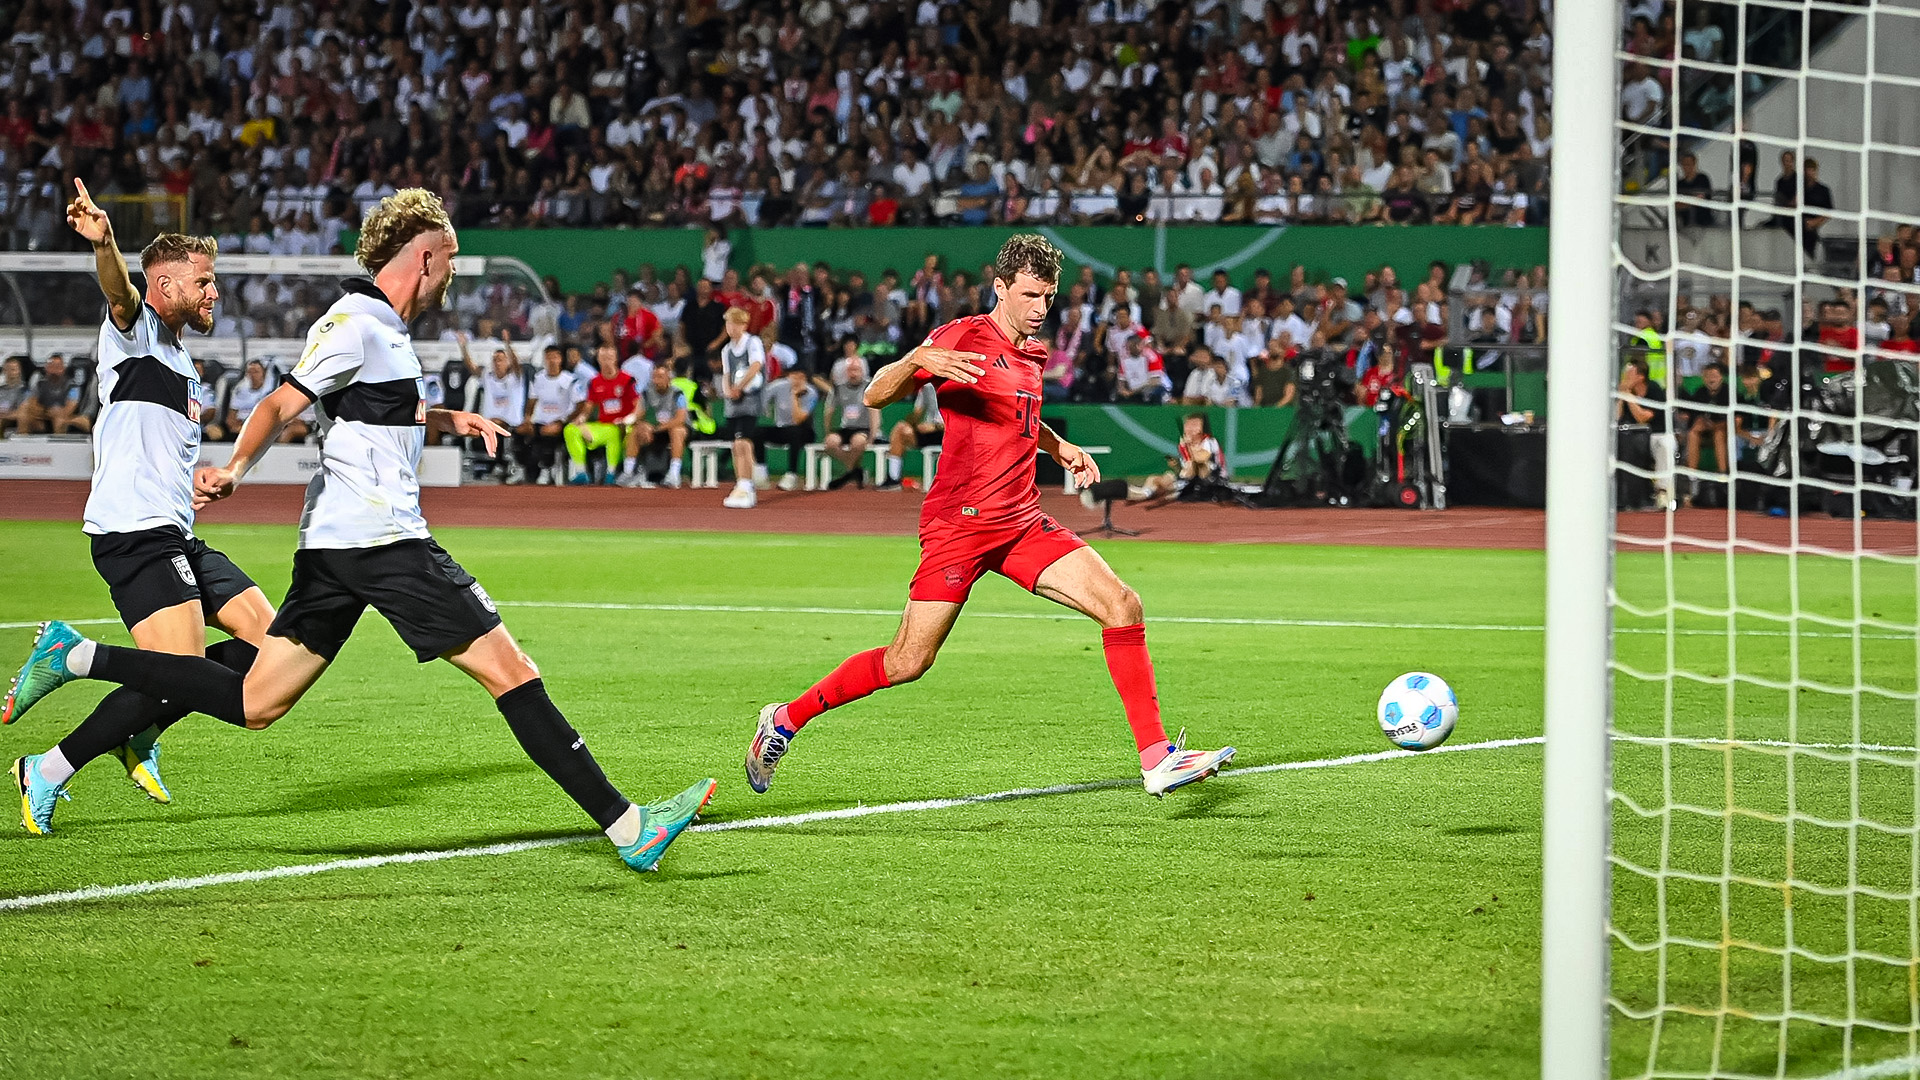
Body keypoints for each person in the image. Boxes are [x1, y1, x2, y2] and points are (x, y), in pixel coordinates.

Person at [6, 190, 714, 872]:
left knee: (256, 701)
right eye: (452, 256)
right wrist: (238, 469)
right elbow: (281, 398)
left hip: (333, 547)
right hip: (380, 540)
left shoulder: (382, 334)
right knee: (512, 671)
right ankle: (630, 828)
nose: (456, 271)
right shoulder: (355, 320)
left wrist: (447, 420)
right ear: (425, 258)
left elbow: (365, 407)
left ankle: (77, 659)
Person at [743, 234, 1235, 800]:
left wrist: (1059, 448)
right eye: (1029, 295)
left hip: (1022, 521)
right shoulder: (963, 336)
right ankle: (784, 719)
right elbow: (877, 396)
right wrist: (916, 359)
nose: (1040, 307)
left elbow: (1018, 416)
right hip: (959, 525)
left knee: (1122, 604)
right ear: (999, 287)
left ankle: (1157, 759)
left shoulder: (1034, 349)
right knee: (907, 661)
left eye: (1048, 296)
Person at [6, 181, 275, 833]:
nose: (214, 293)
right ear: (165, 287)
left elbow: (157, 455)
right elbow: (120, 294)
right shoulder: (136, 331)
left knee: (273, 649)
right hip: (134, 535)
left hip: (174, 533)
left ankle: (140, 729)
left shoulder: (183, 363)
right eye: (203, 282)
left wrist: (196, 489)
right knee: (179, 670)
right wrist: (106, 244)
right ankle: (48, 764)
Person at [563, 344, 638, 485]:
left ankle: (611, 473)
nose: (606, 361)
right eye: (603, 358)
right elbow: (588, 407)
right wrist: (581, 420)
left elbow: (638, 406)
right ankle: (581, 472)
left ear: (616, 359)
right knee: (570, 429)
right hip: (603, 425)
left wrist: (628, 419)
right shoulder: (595, 382)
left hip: (622, 425)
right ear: (598, 360)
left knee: (613, 432)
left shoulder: (627, 380)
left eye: (609, 357)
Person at [715, 307, 768, 508]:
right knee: (736, 445)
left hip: (750, 402)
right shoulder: (726, 350)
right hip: (733, 404)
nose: (730, 327)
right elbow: (726, 375)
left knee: (744, 442)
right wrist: (728, 391)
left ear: (743, 325)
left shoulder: (752, 342)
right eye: (728, 323)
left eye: (734, 323)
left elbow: (756, 366)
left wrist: (740, 387)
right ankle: (742, 484)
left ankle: (746, 485)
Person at [460, 330, 526, 483]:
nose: (497, 363)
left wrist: (508, 345)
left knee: (496, 427)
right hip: (491, 422)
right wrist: (463, 347)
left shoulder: (515, 379)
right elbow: (472, 367)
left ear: (507, 362)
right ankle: (497, 465)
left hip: (510, 422)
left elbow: (517, 364)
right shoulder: (488, 377)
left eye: (501, 359)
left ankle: (503, 465)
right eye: (495, 359)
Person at [817, 344, 877, 489]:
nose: (853, 373)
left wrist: (873, 435)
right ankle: (854, 471)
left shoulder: (869, 387)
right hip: (845, 427)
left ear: (862, 371)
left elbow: (874, 412)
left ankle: (849, 473)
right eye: (850, 370)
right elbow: (828, 411)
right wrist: (828, 431)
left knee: (857, 443)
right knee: (831, 442)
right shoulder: (838, 388)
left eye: (856, 370)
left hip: (862, 428)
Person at [620, 365, 688, 488]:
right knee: (635, 431)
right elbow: (639, 414)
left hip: (671, 430)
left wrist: (658, 428)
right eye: (654, 377)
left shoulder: (678, 394)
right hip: (653, 430)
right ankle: (629, 472)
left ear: (669, 378)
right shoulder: (646, 393)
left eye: (660, 377)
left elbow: (680, 419)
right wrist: (640, 424)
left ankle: (674, 474)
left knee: (678, 431)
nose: (657, 380)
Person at [522, 344, 579, 485]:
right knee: (520, 432)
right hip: (541, 420)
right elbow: (532, 401)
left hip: (561, 421)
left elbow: (579, 405)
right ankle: (521, 469)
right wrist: (527, 418)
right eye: (548, 357)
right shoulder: (538, 378)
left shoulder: (569, 380)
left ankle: (547, 470)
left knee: (548, 435)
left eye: (555, 357)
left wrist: (561, 422)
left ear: (560, 359)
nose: (551, 361)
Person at [1138, 412, 1226, 502]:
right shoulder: (1183, 445)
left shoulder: (1209, 441)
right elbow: (1185, 468)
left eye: (1195, 425)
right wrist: (1176, 465)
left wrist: (1188, 448)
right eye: (1188, 425)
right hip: (1189, 481)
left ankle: (1173, 492)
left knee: (1195, 465)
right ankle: (1144, 494)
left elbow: (1202, 458)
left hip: (1211, 480)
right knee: (1155, 479)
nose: (1191, 428)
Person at [1681, 361, 1731, 505]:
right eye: (1708, 375)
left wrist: (1715, 424)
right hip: (1705, 431)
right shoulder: (1700, 393)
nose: (1711, 379)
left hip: (1725, 430)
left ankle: (1723, 479)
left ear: (1721, 377)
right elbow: (1694, 417)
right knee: (1692, 433)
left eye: (1714, 375)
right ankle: (1692, 479)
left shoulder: (1728, 393)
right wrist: (1699, 423)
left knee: (1719, 434)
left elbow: (1734, 418)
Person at [880, 379, 943, 490]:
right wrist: (912, 422)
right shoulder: (927, 386)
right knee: (900, 429)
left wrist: (936, 426)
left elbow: (964, 420)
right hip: (930, 432)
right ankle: (894, 479)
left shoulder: (958, 383)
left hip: (951, 432)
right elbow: (918, 411)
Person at [762, 367, 818, 491]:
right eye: (794, 376)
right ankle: (761, 471)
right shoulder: (779, 386)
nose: (797, 379)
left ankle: (791, 474)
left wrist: (795, 395)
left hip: (805, 431)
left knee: (795, 432)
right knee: (757, 433)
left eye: (801, 377)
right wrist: (767, 408)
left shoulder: (812, 392)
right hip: (782, 429)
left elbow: (798, 419)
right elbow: (764, 395)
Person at [20, 353, 91, 434]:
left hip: (67, 418)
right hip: (44, 417)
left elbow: (69, 409)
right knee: (24, 413)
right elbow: (32, 405)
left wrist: (53, 412)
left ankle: (59, 444)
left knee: (59, 419)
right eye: (51, 367)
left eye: (57, 367)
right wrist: (48, 412)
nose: (54, 371)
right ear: (46, 368)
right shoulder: (39, 384)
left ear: (63, 369)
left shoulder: (72, 386)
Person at [0, 356, 29, 435]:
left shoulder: (24, 390)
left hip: (14, 420)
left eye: (13, 369)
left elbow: (23, 411)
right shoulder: (1, 389)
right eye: (7, 369)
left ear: (19, 371)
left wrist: (6, 415)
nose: (10, 372)